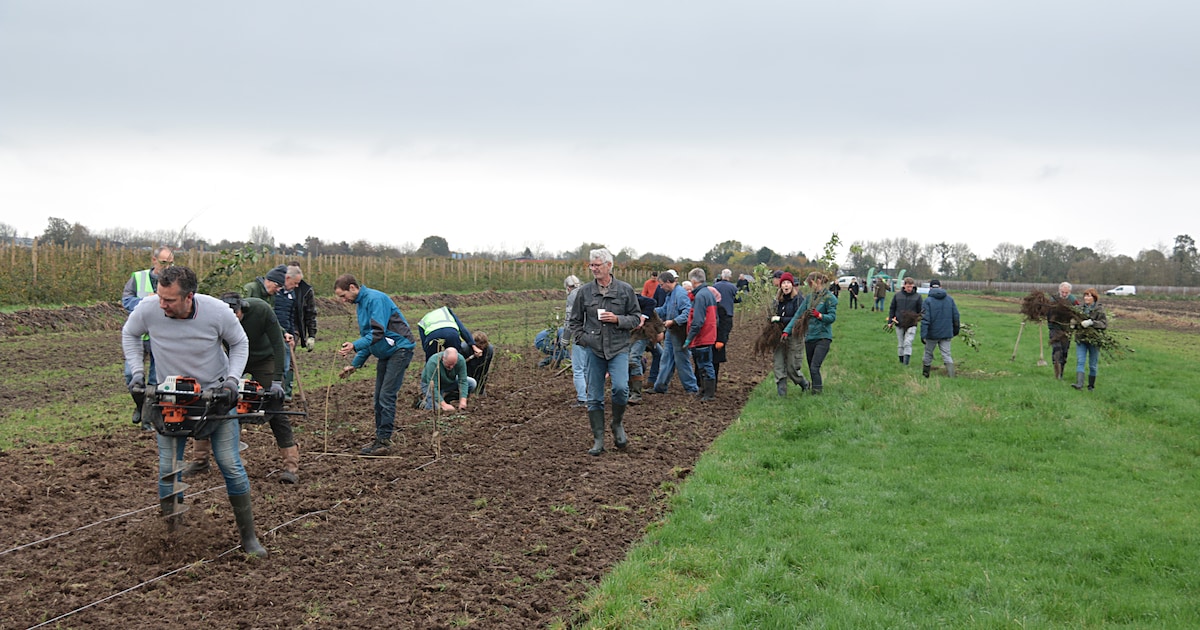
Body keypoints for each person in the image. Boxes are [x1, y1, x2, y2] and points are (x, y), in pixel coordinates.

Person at [121, 265, 267, 557]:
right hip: (170, 397)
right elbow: (130, 334)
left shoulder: (217, 311)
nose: (162, 304)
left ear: (189, 296)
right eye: (160, 297)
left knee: (229, 464)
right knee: (167, 469)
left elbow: (239, 342)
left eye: (170, 300)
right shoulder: (149, 308)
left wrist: (232, 381)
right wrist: (137, 371)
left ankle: (248, 539)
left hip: (215, 397)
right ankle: (174, 533)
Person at [184, 293, 301, 484]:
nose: (233, 318)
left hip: (264, 359)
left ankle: (291, 464)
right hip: (234, 358)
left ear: (243, 308)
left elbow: (278, 345)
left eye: (236, 313)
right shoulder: (217, 316)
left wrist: (277, 381)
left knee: (273, 405)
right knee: (214, 401)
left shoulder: (261, 310)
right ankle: (200, 459)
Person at [567, 248, 641, 456]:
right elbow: (574, 322)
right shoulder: (585, 292)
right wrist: (584, 339)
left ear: (609, 266)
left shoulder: (625, 290)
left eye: (597, 265)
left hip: (618, 348)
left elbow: (636, 318)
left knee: (620, 388)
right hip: (594, 350)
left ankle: (617, 424)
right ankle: (598, 439)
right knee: (595, 397)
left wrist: (618, 319)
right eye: (591, 265)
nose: (594, 269)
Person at [335, 274, 417, 456]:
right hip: (386, 352)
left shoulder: (375, 299)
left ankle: (385, 442)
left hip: (400, 349)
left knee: (386, 396)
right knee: (378, 398)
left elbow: (377, 333)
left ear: (352, 287)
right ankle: (379, 439)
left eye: (343, 295)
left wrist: (354, 345)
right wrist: (355, 365)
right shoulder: (360, 305)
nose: (343, 300)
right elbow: (369, 338)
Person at [121, 245, 173, 429]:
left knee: (155, 380)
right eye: (163, 262)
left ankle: (148, 419)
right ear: (154, 260)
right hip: (138, 336)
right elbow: (126, 300)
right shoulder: (138, 278)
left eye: (170, 263)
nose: (167, 266)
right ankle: (139, 406)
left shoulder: (174, 280)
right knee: (131, 375)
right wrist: (147, 302)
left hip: (160, 337)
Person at [787, 272, 838, 394]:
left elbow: (832, 317)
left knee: (815, 367)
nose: (810, 286)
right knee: (811, 367)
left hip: (823, 337)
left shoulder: (829, 298)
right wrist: (786, 331)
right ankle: (814, 390)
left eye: (811, 283)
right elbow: (797, 315)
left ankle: (817, 392)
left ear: (818, 281)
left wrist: (819, 315)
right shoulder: (809, 298)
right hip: (810, 337)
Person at [650, 271, 699, 395]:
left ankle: (692, 388)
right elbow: (664, 309)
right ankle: (660, 387)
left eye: (661, 285)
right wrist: (650, 310)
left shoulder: (681, 294)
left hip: (680, 332)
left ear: (668, 282)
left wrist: (673, 321)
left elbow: (687, 313)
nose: (660, 287)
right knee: (666, 359)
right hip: (671, 332)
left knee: (682, 360)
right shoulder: (670, 295)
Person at [683, 268, 719, 402]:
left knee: (705, 364)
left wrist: (689, 338)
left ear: (693, 280)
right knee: (703, 364)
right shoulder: (708, 293)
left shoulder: (700, 296)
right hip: (709, 334)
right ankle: (704, 390)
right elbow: (716, 317)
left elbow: (697, 321)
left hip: (702, 336)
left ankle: (709, 393)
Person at [770, 272, 806, 396]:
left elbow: (798, 319)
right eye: (783, 283)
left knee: (792, 367)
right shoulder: (777, 301)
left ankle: (804, 384)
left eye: (788, 283)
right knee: (779, 365)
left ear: (792, 285)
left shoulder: (798, 300)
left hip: (794, 336)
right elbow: (772, 315)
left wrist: (780, 319)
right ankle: (782, 394)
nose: (786, 285)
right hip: (779, 336)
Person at [627, 294, 664, 404]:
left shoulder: (630, 297)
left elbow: (651, 303)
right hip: (626, 333)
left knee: (633, 359)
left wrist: (643, 318)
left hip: (643, 332)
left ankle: (636, 394)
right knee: (625, 360)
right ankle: (628, 390)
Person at [920, 278, 960, 378]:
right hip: (946, 332)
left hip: (932, 334)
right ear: (941, 287)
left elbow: (925, 319)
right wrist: (955, 330)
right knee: (947, 354)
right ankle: (952, 376)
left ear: (930, 288)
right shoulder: (950, 299)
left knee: (928, 354)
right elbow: (956, 316)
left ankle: (925, 375)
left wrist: (923, 335)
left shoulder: (927, 301)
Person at [1071, 288, 1108, 391]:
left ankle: (1091, 386)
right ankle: (1079, 384)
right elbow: (1075, 319)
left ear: (1094, 298)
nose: (1086, 298)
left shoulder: (1099, 309)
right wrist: (1073, 323)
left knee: (1092, 365)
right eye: (1085, 295)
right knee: (1080, 361)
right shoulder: (1079, 308)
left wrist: (1092, 322)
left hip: (1094, 340)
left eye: (1089, 296)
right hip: (1081, 339)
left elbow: (1104, 324)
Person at [564, 274, 589, 407]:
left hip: (579, 335)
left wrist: (565, 339)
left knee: (578, 369)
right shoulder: (588, 291)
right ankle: (590, 395)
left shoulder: (572, 296)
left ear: (568, 287)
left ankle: (582, 398)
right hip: (593, 335)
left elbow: (569, 319)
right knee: (587, 367)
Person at [887, 277, 923, 365]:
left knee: (908, 342)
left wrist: (917, 318)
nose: (909, 289)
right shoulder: (897, 295)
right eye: (908, 287)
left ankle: (906, 363)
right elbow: (892, 308)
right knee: (901, 344)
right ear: (904, 286)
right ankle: (901, 362)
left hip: (911, 324)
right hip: (899, 323)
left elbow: (921, 311)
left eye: (911, 287)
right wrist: (890, 321)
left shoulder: (918, 297)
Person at [1048, 281, 1079, 381]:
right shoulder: (1053, 299)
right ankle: (1057, 374)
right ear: (1059, 290)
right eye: (1063, 292)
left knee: (1064, 352)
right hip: (1055, 328)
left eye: (1066, 292)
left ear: (1070, 292)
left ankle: (1061, 373)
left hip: (1067, 329)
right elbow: (1047, 313)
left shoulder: (1073, 300)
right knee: (1057, 349)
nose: (1064, 294)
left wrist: (1075, 320)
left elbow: (1079, 312)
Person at [711, 268, 738, 384]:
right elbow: (738, 299)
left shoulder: (715, 286)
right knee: (722, 336)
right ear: (730, 276)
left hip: (714, 315)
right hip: (727, 315)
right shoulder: (733, 287)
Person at [465, 331, 493, 397]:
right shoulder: (465, 349)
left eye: (484, 346)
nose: (482, 348)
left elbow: (484, 371)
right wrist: (472, 356)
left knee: (481, 373)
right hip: (468, 368)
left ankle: (479, 391)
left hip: (480, 367)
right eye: (479, 346)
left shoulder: (489, 350)